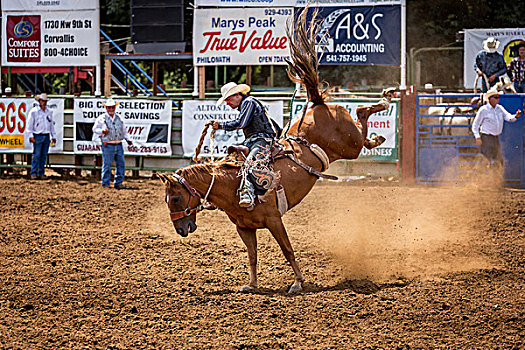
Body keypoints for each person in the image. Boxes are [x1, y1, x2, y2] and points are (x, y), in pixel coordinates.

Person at [211, 82, 278, 210]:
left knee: (250, 163)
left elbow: (241, 123)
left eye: (228, 99)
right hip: (252, 140)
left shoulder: (249, 102)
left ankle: (247, 193)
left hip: (262, 139)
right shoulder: (247, 104)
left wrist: (221, 125)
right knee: (231, 161)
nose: (227, 103)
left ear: (237, 95)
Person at [471, 89, 522, 169]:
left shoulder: (500, 108)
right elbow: (475, 125)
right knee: (484, 160)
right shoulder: (483, 110)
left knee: (498, 160)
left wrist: (515, 116)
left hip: (495, 138)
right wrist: (477, 137)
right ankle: (478, 178)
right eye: (496, 97)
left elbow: (508, 117)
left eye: (498, 97)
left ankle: (494, 179)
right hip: (486, 138)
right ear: (490, 99)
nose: (498, 99)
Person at [92, 98, 132, 188]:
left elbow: (124, 130)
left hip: (118, 143)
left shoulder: (119, 118)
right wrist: (102, 131)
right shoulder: (101, 118)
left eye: (112, 107)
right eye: (109, 107)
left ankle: (118, 182)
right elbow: (94, 129)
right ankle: (105, 183)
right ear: (106, 108)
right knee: (107, 165)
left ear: (115, 108)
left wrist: (128, 139)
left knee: (120, 164)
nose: (111, 109)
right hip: (107, 144)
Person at [26, 93, 56, 180]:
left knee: (43, 155)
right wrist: (31, 135)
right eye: (42, 101)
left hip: (46, 135)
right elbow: (29, 125)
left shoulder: (48, 112)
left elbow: (51, 125)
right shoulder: (34, 111)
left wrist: (53, 135)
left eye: (45, 101)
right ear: (39, 101)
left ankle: (40, 172)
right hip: (38, 135)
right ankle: (34, 172)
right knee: (37, 155)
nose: (44, 102)